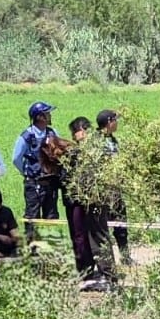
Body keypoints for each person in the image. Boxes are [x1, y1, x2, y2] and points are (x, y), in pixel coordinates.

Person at [12, 101, 60, 244]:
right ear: (40, 117)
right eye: (47, 113)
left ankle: (52, 251)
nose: (50, 116)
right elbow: (16, 158)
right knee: (32, 218)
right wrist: (27, 173)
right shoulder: (26, 136)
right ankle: (33, 252)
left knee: (51, 217)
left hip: (50, 184)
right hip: (33, 185)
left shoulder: (53, 133)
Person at [63, 117, 97, 279]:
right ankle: (84, 269)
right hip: (76, 200)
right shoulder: (72, 153)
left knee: (89, 234)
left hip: (89, 199)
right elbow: (65, 177)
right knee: (79, 235)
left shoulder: (93, 152)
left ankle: (90, 267)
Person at [96, 109, 131, 265]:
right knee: (103, 226)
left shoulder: (112, 140)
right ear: (109, 122)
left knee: (121, 223)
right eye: (115, 120)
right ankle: (105, 260)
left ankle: (125, 255)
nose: (117, 123)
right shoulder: (97, 141)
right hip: (103, 190)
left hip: (116, 189)